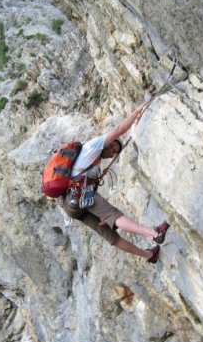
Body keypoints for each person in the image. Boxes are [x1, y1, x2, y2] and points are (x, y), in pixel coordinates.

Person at [61, 102, 170, 263]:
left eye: (114, 152)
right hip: (78, 196)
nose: (111, 151)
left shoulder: (94, 166)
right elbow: (118, 130)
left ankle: (149, 255)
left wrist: (101, 215)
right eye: (112, 146)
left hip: (72, 206)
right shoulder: (92, 146)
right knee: (113, 215)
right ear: (107, 142)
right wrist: (136, 112)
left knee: (112, 236)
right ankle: (154, 234)